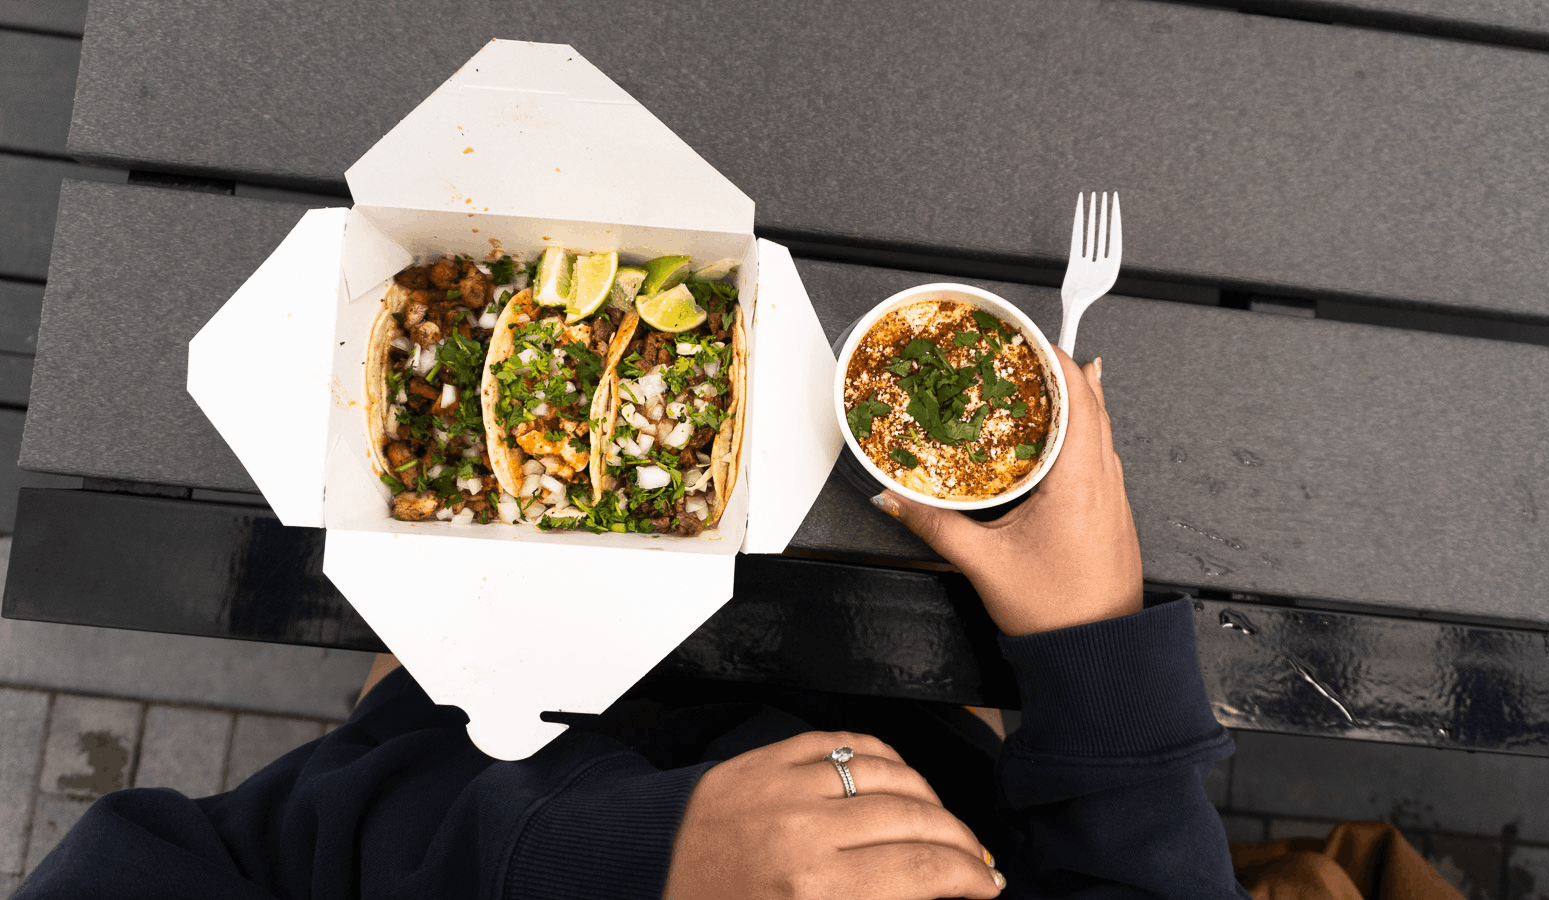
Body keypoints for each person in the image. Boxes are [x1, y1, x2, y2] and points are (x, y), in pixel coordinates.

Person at [17, 350, 1249, 899]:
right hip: (916, 735)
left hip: (478, 741)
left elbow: (173, 865)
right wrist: (1095, 647)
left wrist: (592, 864)